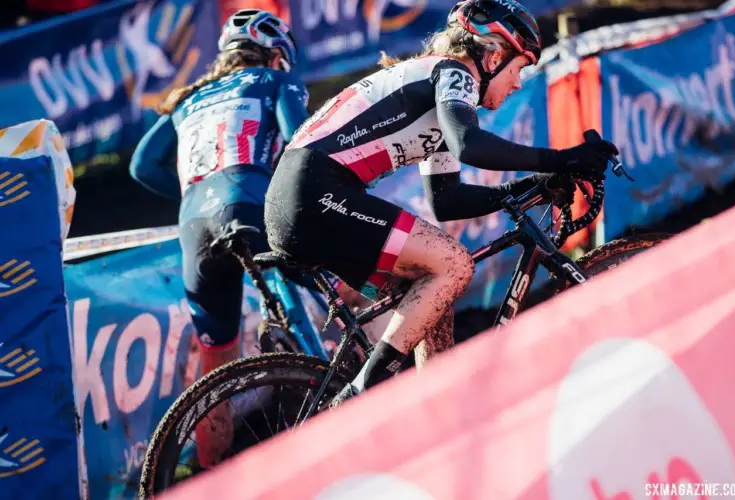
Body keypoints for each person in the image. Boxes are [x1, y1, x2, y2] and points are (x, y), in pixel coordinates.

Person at [264, 0, 618, 405]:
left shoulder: (442, 94)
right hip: (313, 192)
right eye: (520, 68)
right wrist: (561, 159)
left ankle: (440, 412)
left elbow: (447, 201)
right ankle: (357, 395)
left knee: (432, 298)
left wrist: (528, 186)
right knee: (453, 264)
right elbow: (469, 146)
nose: (518, 83)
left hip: (302, 196)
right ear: (493, 55)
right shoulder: (454, 72)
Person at [129, 9, 308, 466]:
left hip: (193, 225)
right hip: (248, 203)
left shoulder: (189, 97)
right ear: (276, 57)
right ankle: (336, 390)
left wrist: (194, 193)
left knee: (217, 368)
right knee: (329, 282)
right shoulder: (277, 83)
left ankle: (210, 477)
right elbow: (302, 147)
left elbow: (141, 166)